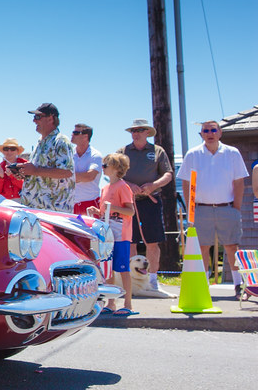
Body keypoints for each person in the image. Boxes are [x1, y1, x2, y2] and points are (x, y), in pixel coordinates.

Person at [176, 120, 249, 296]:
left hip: (227, 207)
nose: (209, 133)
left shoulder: (232, 153)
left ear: (220, 132)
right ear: (202, 134)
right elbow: (186, 183)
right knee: (202, 247)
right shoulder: (193, 154)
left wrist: (236, 208)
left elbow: (239, 182)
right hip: (201, 209)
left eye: (213, 130)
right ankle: (203, 288)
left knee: (232, 247)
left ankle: (239, 286)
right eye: (205, 130)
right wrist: (190, 210)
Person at [118, 117, 173, 293]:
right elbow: (113, 173)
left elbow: (168, 174)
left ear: (147, 132)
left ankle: (153, 280)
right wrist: (129, 185)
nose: (135, 133)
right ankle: (134, 281)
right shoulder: (123, 151)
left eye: (139, 130)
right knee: (130, 241)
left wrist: (154, 185)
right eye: (133, 130)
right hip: (128, 202)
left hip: (151, 201)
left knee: (152, 241)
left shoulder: (157, 151)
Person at [88, 153, 137, 316]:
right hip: (108, 235)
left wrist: (114, 208)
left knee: (123, 269)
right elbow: (105, 212)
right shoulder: (105, 188)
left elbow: (130, 211)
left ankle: (128, 304)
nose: (103, 168)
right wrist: (97, 212)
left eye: (105, 165)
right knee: (108, 269)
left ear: (116, 168)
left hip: (121, 235)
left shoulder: (122, 186)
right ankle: (111, 303)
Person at [16, 103, 75, 212]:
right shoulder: (39, 143)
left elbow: (66, 172)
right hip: (35, 211)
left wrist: (35, 170)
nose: (34, 121)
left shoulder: (61, 141)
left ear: (51, 118)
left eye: (38, 117)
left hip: (54, 213)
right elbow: (38, 174)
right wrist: (23, 172)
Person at [71, 123, 104, 216]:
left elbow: (90, 176)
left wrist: (67, 176)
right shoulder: (69, 153)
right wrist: (79, 177)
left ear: (85, 136)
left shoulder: (95, 155)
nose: (72, 134)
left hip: (90, 205)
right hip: (70, 204)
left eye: (76, 132)